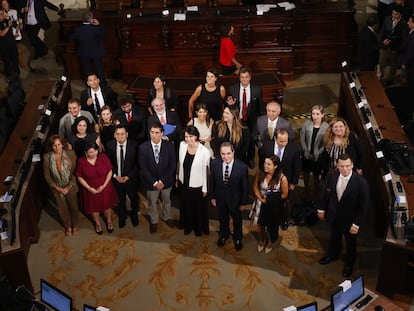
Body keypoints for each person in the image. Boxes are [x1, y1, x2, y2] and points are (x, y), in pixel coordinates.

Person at [318, 153, 369, 278]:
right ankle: (332, 255)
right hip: (334, 214)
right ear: (337, 165)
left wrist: (357, 223)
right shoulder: (332, 175)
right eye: (342, 166)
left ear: (352, 165)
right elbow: (325, 192)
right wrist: (321, 208)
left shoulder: (361, 182)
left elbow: (363, 206)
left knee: (350, 243)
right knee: (334, 236)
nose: (345, 169)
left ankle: (349, 263)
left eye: (347, 166)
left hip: (350, 220)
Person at [209, 142, 249, 251]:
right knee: (223, 219)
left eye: (228, 153)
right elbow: (212, 181)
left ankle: (238, 238)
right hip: (220, 198)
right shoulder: (215, 163)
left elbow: (245, 187)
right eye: (223, 154)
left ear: (233, 152)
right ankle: (224, 235)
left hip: (235, 200)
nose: (226, 157)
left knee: (237, 220)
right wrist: (212, 197)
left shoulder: (242, 167)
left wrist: (243, 203)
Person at [138, 123, 176, 234]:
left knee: (167, 201)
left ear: (162, 133)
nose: (154, 135)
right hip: (151, 182)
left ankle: (166, 217)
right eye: (152, 132)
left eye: (157, 133)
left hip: (166, 181)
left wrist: (162, 181)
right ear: (149, 133)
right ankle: (154, 221)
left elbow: (172, 165)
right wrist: (155, 182)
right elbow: (143, 167)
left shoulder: (169, 146)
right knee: (152, 203)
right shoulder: (143, 147)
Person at [76, 142, 119, 235]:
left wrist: (104, 185)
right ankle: (98, 223)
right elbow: (79, 177)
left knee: (107, 205)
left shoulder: (103, 157)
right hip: (90, 189)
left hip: (105, 186)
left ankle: (109, 221)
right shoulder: (81, 161)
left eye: (95, 151)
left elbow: (110, 171)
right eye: (91, 152)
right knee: (94, 208)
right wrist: (89, 188)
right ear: (85, 153)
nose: (94, 153)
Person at [263, 128, 301, 230]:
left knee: (285, 201)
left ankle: (284, 219)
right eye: (281, 141)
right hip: (270, 178)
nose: (284, 143)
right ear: (275, 138)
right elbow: (263, 162)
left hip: (286, 180)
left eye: (286, 141)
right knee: (269, 198)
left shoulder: (294, 149)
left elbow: (297, 167)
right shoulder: (267, 146)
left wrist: (293, 182)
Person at [227, 67, 264, 168]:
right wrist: (231, 105)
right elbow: (230, 106)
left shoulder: (257, 89)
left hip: (252, 120)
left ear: (250, 77)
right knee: (239, 139)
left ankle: (250, 158)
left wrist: (260, 122)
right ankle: (241, 158)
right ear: (239, 78)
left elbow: (261, 107)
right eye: (242, 77)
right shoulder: (232, 88)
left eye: (246, 77)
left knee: (251, 140)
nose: (244, 79)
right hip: (238, 120)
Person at [43, 135, 79, 236]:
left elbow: (75, 172)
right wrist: (57, 188)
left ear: (63, 145)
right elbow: (47, 176)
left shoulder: (71, 154)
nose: (57, 148)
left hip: (70, 185)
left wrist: (69, 186)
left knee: (73, 207)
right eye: (54, 145)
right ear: (51, 147)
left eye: (59, 145)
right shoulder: (47, 157)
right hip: (57, 187)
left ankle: (75, 225)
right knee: (62, 209)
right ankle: (67, 226)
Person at [177, 126, 210, 236]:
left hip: (197, 185)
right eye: (186, 137)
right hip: (184, 182)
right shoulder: (182, 145)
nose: (188, 139)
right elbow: (179, 164)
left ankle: (198, 228)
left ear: (196, 136)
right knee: (186, 205)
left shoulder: (204, 151)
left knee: (197, 207)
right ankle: (187, 226)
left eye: (190, 136)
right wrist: (177, 177)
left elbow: (205, 172)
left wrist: (205, 188)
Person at [252, 155, 288, 254]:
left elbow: (285, 194)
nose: (265, 166)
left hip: (274, 205)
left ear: (275, 166)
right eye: (264, 163)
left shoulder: (282, 178)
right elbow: (255, 188)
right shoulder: (260, 173)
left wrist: (272, 199)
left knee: (272, 226)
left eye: (268, 164)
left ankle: (271, 242)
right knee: (260, 225)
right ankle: (262, 240)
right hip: (260, 202)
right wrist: (261, 199)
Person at [106, 124, 139, 228]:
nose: (120, 136)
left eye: (122, 134)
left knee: (134, 199)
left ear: (127, 134)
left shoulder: (134, 145)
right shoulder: (110, 145)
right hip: (116, 179)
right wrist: (115, 176)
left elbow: (138, 164)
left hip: (131, 179)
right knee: (120, 200)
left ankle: (134, 215)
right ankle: (122, 216)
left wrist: (128, 176)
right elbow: (108, 163)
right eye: (118, 134)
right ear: (114, 135)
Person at [300, 105, 329, 202]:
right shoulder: (307, 123)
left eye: (317, 114)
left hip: (318, 156)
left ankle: (316, 195)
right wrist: (306, 151)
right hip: (306, 154)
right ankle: (306, 192)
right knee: (306, 175)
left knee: (316, 177)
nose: (315, 116)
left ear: (322, 115)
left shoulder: (326, 127)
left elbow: (325, 144)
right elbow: (302, 138)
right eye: (313, 114)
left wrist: (317, 154)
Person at [70, 13, 106, 83]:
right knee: (99, 69)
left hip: (84, 52)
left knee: (87, 70)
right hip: (96, 52)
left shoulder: (77, 30)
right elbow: (104, 34)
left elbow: (71, 38)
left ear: (83, 19)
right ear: (92, 18)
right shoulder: (97, 29)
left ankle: (89, 84)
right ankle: (102, 83)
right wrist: (99, 25)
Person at [256, 101, 294, 166]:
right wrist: (259, 144)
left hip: (278, 151)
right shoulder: (260, 120)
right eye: (268, 111)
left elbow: (291, 138)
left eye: (273, 111)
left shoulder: (286, 124)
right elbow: (254, 135)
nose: (270, 113)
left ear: (279, 112)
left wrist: (282, 145)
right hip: (264, 151)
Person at [379, 4, 407, 84]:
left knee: (393, 65)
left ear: (401, 14)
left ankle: (390, 80)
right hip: (384, 45)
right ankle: (380, 79)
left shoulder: (404, 24)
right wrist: (382, 42)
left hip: (394, 48)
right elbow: (382, 32)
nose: (394, 15)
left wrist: (396, 47)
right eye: (393, 13)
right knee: (382, 62)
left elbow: (402, 38)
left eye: (396, 14)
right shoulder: (387, 19)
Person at [1, 0, 24, 69]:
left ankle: (20, 62)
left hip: (15, 33)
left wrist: (17, 31)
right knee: (8, 51)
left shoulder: (14, 11)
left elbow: (17, 23)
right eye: (3, 4)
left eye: (6, 3)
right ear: (1, 5)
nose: (5, 5)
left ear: (8, 3)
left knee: (18, 49)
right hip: (7, 34)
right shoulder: (1, 14)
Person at [0, 8, 19, 78]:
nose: (2, 15)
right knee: (7, 62)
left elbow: (16, 25)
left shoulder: (7, 20)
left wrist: (17, 31)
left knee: (15, 60)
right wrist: (8, 26)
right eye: (0, 14)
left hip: (12, 44)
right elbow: (2, 34)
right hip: (4, 47)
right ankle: (8, 76)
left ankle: (17, 75)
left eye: (3, 14)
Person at [400, 15, 414, 88]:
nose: (408, 23)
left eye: (410, 21)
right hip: (407, 60)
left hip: (410, 64)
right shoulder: (410, 31)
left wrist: (405, 63)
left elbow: (411, 51)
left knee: (409, 81)